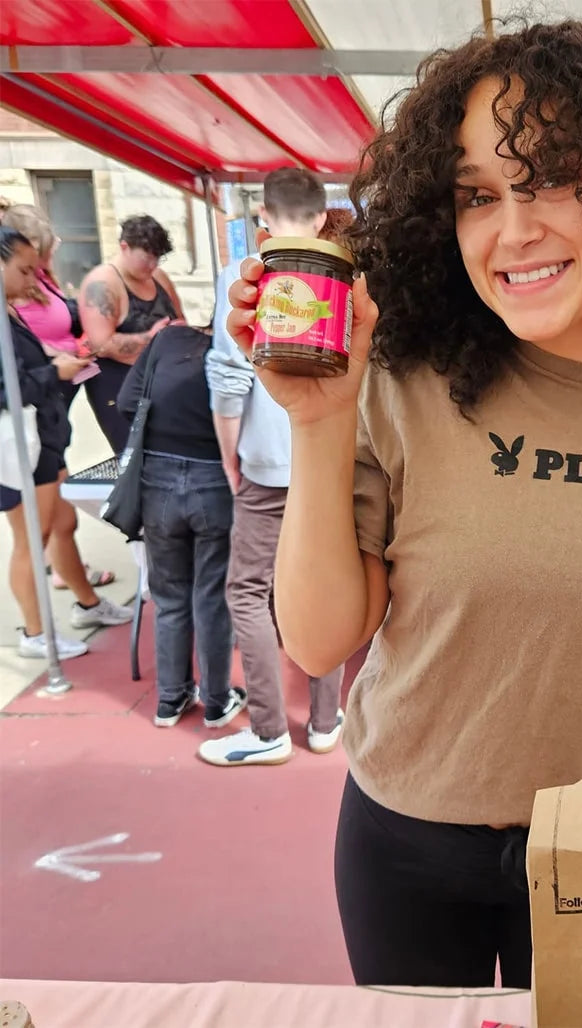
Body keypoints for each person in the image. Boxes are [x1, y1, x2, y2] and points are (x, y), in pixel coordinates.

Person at [225, 20, 582, 988]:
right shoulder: (406, 382)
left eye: (549, 179)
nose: (510, 231)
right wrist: (318, 420)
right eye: (476, 195)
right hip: (403, 836)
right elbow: (320, 642)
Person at [198, 167, 343, 767]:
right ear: (319, 218)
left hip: (265, 463)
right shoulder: (340, 277)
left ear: (262, 217)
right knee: (327, 584)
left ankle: (267, 730)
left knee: (249, 591)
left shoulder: (244, 278)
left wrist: (231, 457)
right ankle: (327, 721)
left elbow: (228, 384)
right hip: (328, 464)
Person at [1, 227, 133, 660]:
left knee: (62, 525)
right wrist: (52, 374)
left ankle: (88, 604)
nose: (30, 280)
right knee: (32, 536)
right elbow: (8, 387)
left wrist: (52, 362)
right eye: (23, 270)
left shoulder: (11, 309)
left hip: (45, 436)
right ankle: (36, 632)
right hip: (22, 443)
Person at [116, 320, 246, 730]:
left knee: (169, 597)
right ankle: (216, 700)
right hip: (215, 482)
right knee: (211, 596)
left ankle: (170, 700)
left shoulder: (167, 339)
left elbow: (126, 401)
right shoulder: (239, 351)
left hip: (157, 480)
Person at [79, 215, 183, 454]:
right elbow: (101, 344)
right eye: (147, 258)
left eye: (158, 258)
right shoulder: (102, 283)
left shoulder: (159, 277)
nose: (153, 265)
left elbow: (178, 319)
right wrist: (151, 338)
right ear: (124, 247)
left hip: (161, 381)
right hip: (120, 386)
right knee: (134, 455)